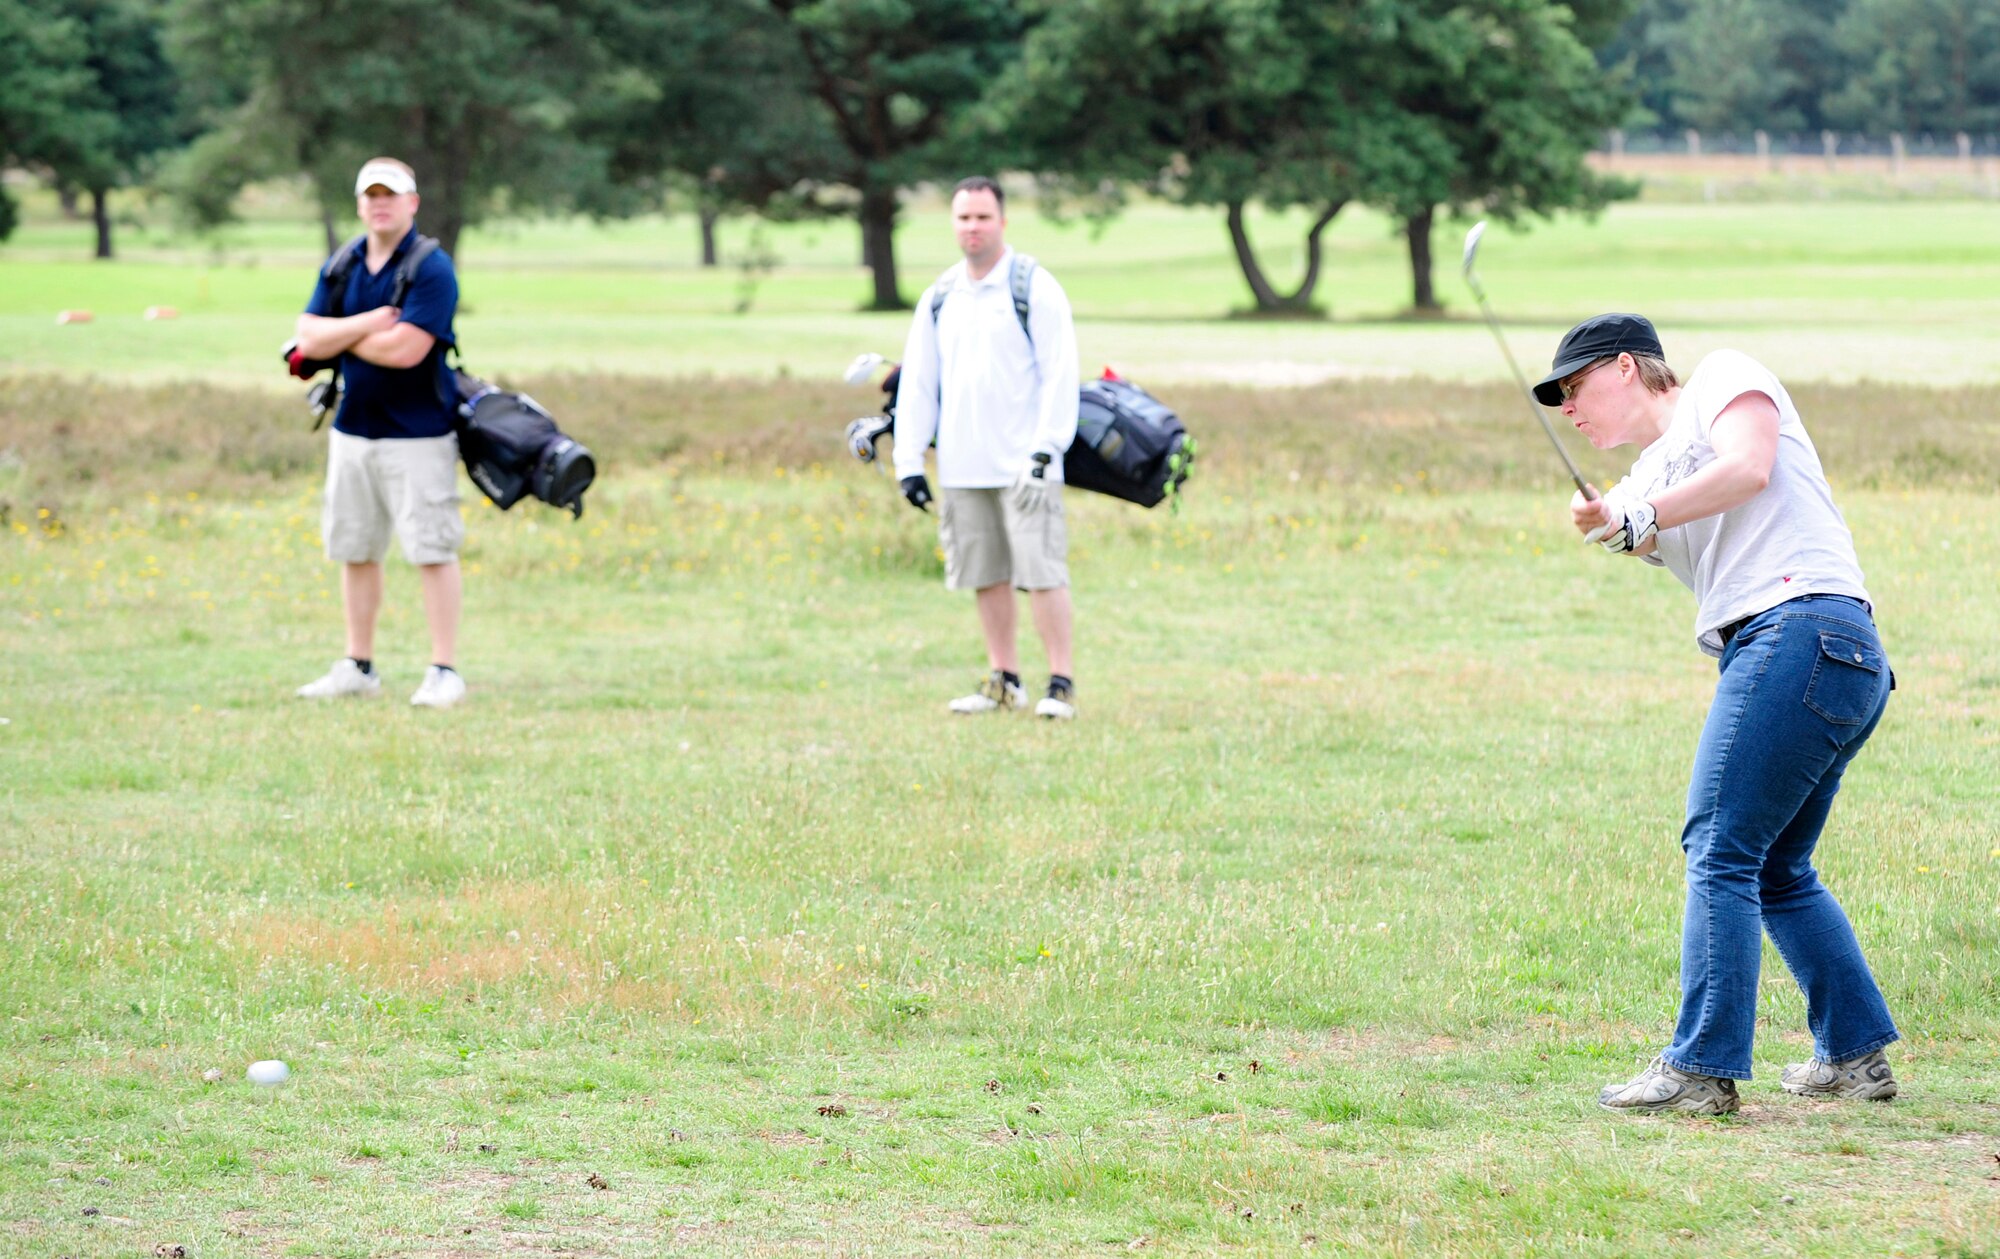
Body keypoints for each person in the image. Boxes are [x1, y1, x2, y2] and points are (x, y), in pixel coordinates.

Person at [1544, 313, 1900, 1114]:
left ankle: (1701, 1067)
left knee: (1720, 846)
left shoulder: (1723, 379)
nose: (1569, 408)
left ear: (1628, 368)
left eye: (1577, 386)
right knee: (1775, 867)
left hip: (1802, 629)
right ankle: (1856, 1057)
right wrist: (1610, 522)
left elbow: (1746, 468)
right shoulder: (1645, 476)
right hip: (1825, 657)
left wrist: (1640, 516)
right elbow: (1637, 526)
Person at [894, 176, 1081, 719]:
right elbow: (920, 384)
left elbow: (1059, 375)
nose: (972, 228)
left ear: (1003, 222)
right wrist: (910, 461)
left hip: (1025, 465)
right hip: (962, 464)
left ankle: (1060, 684)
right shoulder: (941, 296)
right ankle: (1004, 679)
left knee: (1042, 573)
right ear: (952, 224)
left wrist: (1045, 451)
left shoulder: (1034, 288)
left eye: (982, 217)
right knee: (985, 573)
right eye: (963, 218)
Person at [291, 157, 467, 709]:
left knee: (432, 550)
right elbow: (305, 336)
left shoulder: (430, 267)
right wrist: (368, 324)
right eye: (371, 195)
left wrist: (334, 337)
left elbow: (407, 349)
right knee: (356, 548)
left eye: (391, 194)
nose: (380, 203)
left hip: (419, 434)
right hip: (352, 430)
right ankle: (358, 665)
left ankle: (443, 670)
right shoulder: (343, 262)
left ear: (412, 203)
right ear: (360, 203)